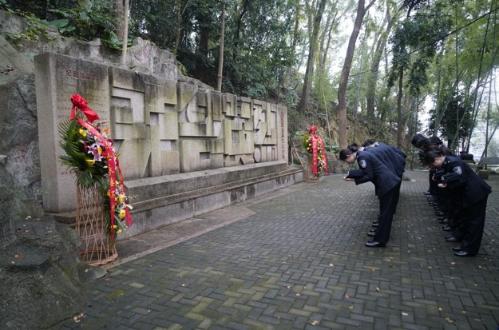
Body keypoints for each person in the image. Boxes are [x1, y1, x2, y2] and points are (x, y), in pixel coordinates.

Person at [424, 147, 491, 256]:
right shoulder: (447, 162)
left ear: (437, 158)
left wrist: (444, 180)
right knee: (465, 218)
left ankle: (470, 249)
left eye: (433, 163)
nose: (434, 166)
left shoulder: (453, 161)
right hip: (468, 194)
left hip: (476, 193)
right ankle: (462, 239)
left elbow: (458, 175)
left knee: (474, 222)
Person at [339, 144, 402, 247]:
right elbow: (366, 171)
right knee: (384, 213)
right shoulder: (363, 155)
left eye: (346, 161)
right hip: (389, 184)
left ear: (348, 156)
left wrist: (353, 179)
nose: (347, 163)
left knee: (385, 214)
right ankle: (380, 235)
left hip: (387, 185)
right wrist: (351, 173)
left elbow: (368, 175)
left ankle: (380, 240)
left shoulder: (362, 157)